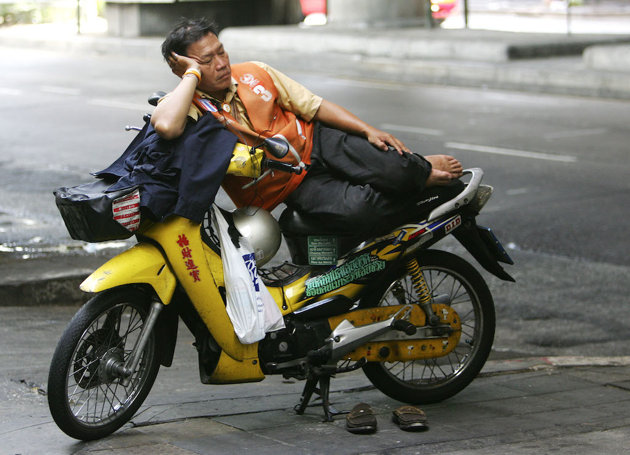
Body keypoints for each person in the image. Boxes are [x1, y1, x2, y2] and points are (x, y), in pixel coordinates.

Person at [151, 17, 463, 236]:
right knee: (361, 212)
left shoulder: (254, 72)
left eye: (221, 51)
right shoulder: (186, 106)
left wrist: (368, 129)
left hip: (319, 140)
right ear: (181, 67)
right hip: (291, 183)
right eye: (206, 60)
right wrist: (192, 76)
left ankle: (413, 171)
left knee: (397, 169)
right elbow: (166, 127)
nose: (221, 63)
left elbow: (314, 105)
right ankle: (415, 175)